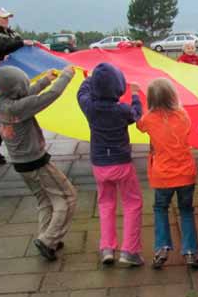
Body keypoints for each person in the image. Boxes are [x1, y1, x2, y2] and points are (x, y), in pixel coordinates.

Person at [0, 65, 77, 261]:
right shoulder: (18, 107)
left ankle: (47, 237)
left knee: (45, 200)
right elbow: (51, 95)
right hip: (36, 162)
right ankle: (49, 239)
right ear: (17, 89)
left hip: (20, 164)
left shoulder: (1, 103)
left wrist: (45, 79)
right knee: (67, 197)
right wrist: (67, 75)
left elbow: (27, 95)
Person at [77, 63, 145, 266]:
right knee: (132, 203)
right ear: (119, 87)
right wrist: (135, 95)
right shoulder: (122, 110)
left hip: (99, 165)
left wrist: (90, 78)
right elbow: (136, 114)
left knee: (106, 204)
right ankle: (130, 251)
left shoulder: (89, 107)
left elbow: (81, 92)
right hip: (122, 164)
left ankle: (107, 248)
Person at [137, 78, 198, 270]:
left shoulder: (148, 119)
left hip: (162, 176)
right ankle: (190, 252)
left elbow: (139, 125)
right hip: (186, 174)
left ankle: (162, 249)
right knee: (187, 211)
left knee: (160, 209)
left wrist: (135, 98)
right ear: (173, 95)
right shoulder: (183, 115)